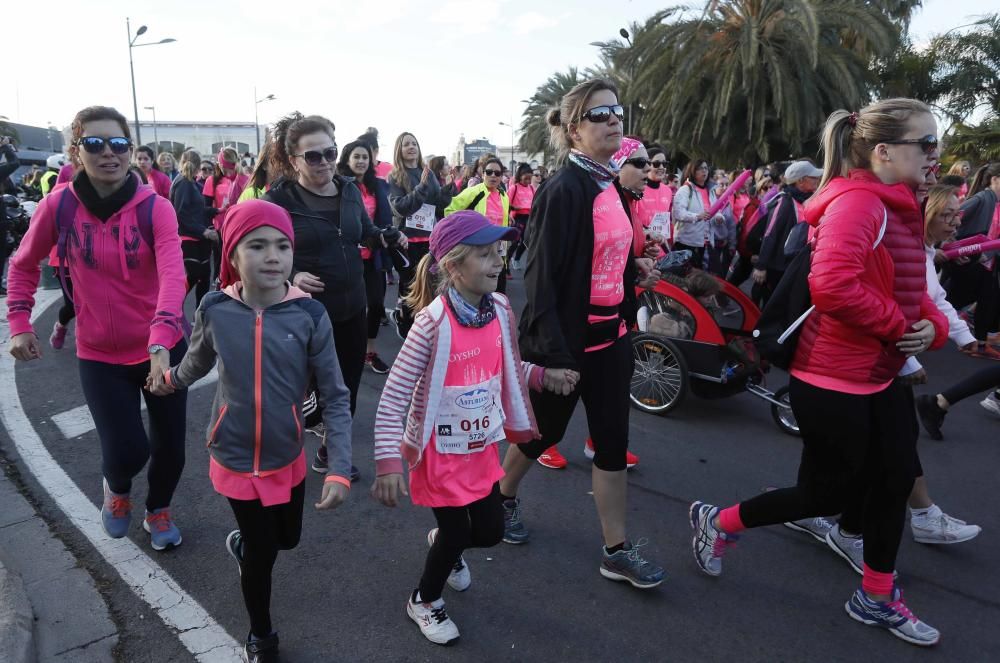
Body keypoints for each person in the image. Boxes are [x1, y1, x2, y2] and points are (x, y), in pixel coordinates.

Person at [689, 98, 948, 647]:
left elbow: (908, 287)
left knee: (895, 479)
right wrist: (899, 325)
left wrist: (932, 329)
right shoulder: (860, 205)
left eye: (937, 143)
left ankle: (876, 597)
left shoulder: (896, 202)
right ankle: (719, 521)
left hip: (879, 372)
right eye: (926, 144)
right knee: (827, 495)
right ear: (883, 151)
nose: (936, 155)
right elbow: (832, 287)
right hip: (833, 379)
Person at [149, 200, 351, 663]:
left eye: (282, 245)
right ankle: (261, 634)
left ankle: (245, 545)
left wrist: (339, 467)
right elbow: (197, 360)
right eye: (257, 245)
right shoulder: (216, 308)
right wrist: (170, 381)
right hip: (234, 455)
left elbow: (336, 396)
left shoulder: (310, 316)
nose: (273, 256)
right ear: (233, 256)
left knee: (288, 540)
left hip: (287, 453)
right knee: (263, 555)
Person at [371, 210, 575, 645]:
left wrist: (541, 376)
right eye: (485, 255)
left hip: (481, 447)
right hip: (440, 453)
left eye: (499, 251)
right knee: (458, 531)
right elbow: (393, 395)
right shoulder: (431, 323)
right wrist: (388, 462)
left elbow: (508, 366)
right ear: (453, 266)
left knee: (490, 532)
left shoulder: (499, 309)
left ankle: (446, 546)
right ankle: (424, 600)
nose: (499, 261)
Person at [499, 78, 666, 590]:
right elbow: (542, 278)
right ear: (574, 130)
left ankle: (615, 550)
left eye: (617, 111)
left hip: (611, 339)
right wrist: (551, 357)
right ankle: (500, 499)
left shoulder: (609, 184)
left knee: (612, 443)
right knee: (543, 435)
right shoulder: (564, 189)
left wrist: (634, 268)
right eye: (601, 115)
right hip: (567, 347)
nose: (615, 119)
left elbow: (602, 258)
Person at [6, 105, 189, 552]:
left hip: (162, 348)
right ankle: (118, 491)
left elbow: (173, 275)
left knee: (170, 449)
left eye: (119, 143)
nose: (109, 152)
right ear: (76, 150)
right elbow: (23, 264)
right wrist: (18, 321)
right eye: (95, 143)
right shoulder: (59, 206)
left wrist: (162, 339)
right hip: (100, 354)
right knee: (128, 450)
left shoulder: (156, 208)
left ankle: (158, 510)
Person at [263, 113, 406, 481]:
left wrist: (385, 237)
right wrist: (291, 275)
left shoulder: (348, 189)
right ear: (294, 159)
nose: (324, 161)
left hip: (350, 305)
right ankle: (281, 460)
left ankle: (331, 451)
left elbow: (365, 232)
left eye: (329, 152)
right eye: (313, 156)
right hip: (301, 312)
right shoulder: (278, 199)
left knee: (345, 387)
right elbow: (257, 252)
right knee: (299, 392)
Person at [335, 139, 395, 374]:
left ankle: (369, 352)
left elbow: (384, 218)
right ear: (347, 160)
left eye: (365, 157)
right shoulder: (338, 186)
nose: (361, 161)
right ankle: (345, 351)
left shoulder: (377, 186)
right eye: (356, 156)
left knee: (377, 304)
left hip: (373, 255)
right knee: (348, 307)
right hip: (346, 257)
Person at [388, 132, 452, 339]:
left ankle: (427, 327)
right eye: (406, 144)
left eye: (414, 143)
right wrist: (421, 188)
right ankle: (406, 326)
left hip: (430, 239)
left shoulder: (429, 173)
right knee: (410, 284)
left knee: (432, 283)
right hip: (406, 240)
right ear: (399, 149)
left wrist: (449, 188)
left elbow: (439, 205)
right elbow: (400, 208)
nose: (411, 147)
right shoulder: (395, 175)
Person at [941, 162, 1000, 359]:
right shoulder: (983, 198)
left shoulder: (995, 201)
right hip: (969, 260)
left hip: (985, 260)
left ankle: (980, 345)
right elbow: (953, 214)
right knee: (949, 300)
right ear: (994, 180)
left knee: (988, 300)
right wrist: (951, 242)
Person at [752, 160, 823, 302]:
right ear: (801, 181)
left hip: (793, 265)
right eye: (813, 177)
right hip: (779, 267)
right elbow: (770, 234)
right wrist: (761, 266)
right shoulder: (784, 202)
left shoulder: (804, 199)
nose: (817, 180)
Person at [444, 157, 511, 293]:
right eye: (489, 172)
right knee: (478, 293)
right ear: (483, 173)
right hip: (477, 252)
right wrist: (466, 234)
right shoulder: (474, 192)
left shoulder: (504, 196)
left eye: (497, 173)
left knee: (498, 293)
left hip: (498, 251)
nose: (493, 175)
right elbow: (449, 211)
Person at [170, 149, 219, 307]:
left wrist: (219, 210)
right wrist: (203, 231)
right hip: (189, 237)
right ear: (198, 165)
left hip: (199, 238)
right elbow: (182, 214)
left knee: (204, 276)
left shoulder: (192, 183)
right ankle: (172, 306)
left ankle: (199, 314)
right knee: (194, 275)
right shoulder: (183, 183)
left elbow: (198, 210)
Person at [672, 158, 724, 268]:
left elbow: (714, 212)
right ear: (692, 171)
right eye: (700, 169)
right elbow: (679, 213)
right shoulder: (685, 190)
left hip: (706, 242)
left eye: (706, 168)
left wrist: (719, 217)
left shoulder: (711, 191)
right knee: (686, 276)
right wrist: (697, 216)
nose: (704, 171)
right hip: (686, 242)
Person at [506, 162, 535, 268]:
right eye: (525, 178)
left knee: (527, 241)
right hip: (517, 218)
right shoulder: (515, 188)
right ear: (520, 176)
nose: (528, 181)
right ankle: (506, 265)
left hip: (529, 218)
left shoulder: (531, 188)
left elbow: (535, 203)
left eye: (529, 179)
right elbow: (506, 203)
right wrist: (514, 208)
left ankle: (517, 259)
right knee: (515, 242)